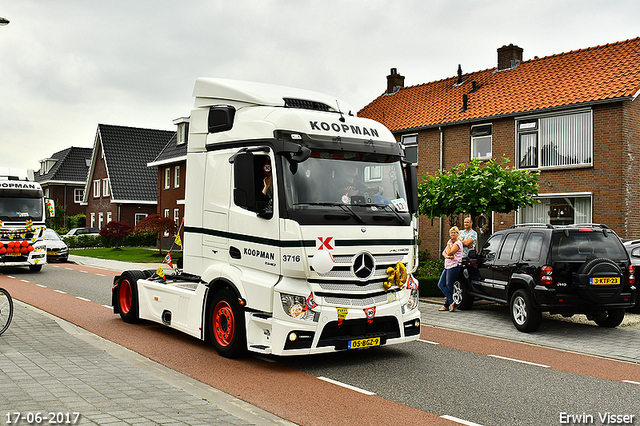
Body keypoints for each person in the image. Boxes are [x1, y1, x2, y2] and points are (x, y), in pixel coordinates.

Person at [437, 226, 464, 312]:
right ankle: (451, 302)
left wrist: (448, 248)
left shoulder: (458, 243)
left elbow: (450, 251)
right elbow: (444, 253)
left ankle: (447, 305)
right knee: (441, 284)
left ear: (457, 234)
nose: (452, 234)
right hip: (447, 266)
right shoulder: (450, 242)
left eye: (454, 233)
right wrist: (448, 256)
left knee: (449, 285)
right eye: (451, 233)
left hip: (454, 266)